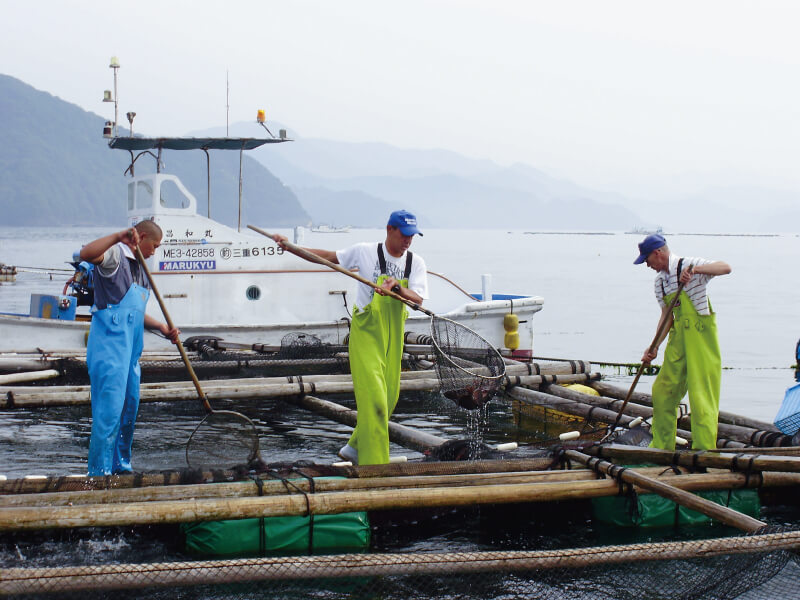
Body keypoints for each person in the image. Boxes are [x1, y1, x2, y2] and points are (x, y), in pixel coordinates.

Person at [274, 210, 428, 465]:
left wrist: (396, 287)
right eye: (404, 235)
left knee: (388, 401)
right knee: (375, 402)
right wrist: (290, 247)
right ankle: (376, 467)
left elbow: (418, 300)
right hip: (367, 334)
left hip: (393, 337)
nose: (408, 241)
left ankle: (354, 448)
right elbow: (325, 258)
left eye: (412, 236)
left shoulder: (415, 262)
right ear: (390, 229)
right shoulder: (365, 251)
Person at [80, 221, 180, 476]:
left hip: (131, 355)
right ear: (142, 236)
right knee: (108, 414)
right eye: (154, 246)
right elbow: (86, 254)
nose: (154, 252)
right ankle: (98, 476)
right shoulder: (115, 257)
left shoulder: (142, 269)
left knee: (128, 412)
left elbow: (135, 312)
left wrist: (161, 327)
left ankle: (121, 468)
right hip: (109, 351)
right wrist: (117, 236)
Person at [634, 234, 731, 451]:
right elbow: (667, 317)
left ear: (657, 253)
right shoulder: (660, 282)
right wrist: (654, 347)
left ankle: (704, 450)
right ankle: (662, 447)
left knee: (701, 394)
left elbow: (725, 267)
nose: (647, 265)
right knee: (662, 390)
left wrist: (696, 271)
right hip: (678, 338)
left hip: (701, 338)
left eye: (647, 260)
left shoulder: (688, 265)